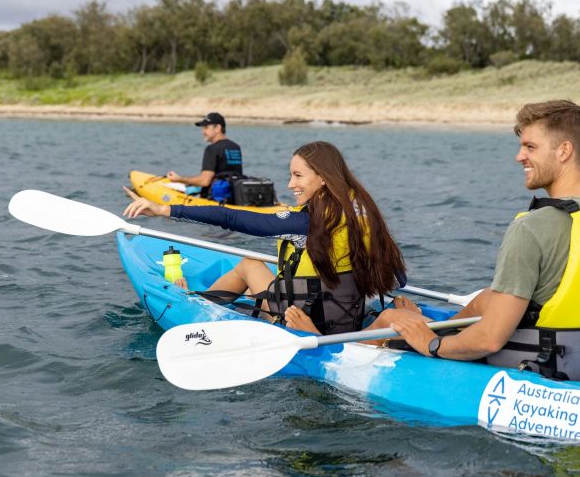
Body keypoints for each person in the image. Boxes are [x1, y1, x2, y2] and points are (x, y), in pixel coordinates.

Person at [387, 100, 580, 382]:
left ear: (564, 151)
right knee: (487, 298)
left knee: (387, 324)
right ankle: (439, 328)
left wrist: (431, 343)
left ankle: (413, 334)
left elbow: (489, 341)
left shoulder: (531, 228)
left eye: (530, 147)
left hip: (533, 367)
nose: (519, 156)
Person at [123, 141, 406, 335]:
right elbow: (398, 280)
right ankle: (232, 299)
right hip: (347, 318)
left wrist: (165, 209)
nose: (290, 184)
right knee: (256, 278)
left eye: (298, 176)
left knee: (249, 264)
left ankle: (193, 304)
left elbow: (231, 218)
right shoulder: (362, 213)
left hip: (307, 323)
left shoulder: (304, 223)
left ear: (323, 178)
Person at [165, 112, 243, 199]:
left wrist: (180, 179)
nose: (203, 132)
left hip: (213, 200)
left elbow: (205, 181)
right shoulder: (235, 147)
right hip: (233, 198)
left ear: (217, 128)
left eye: (206, 128)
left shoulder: (212, 149)